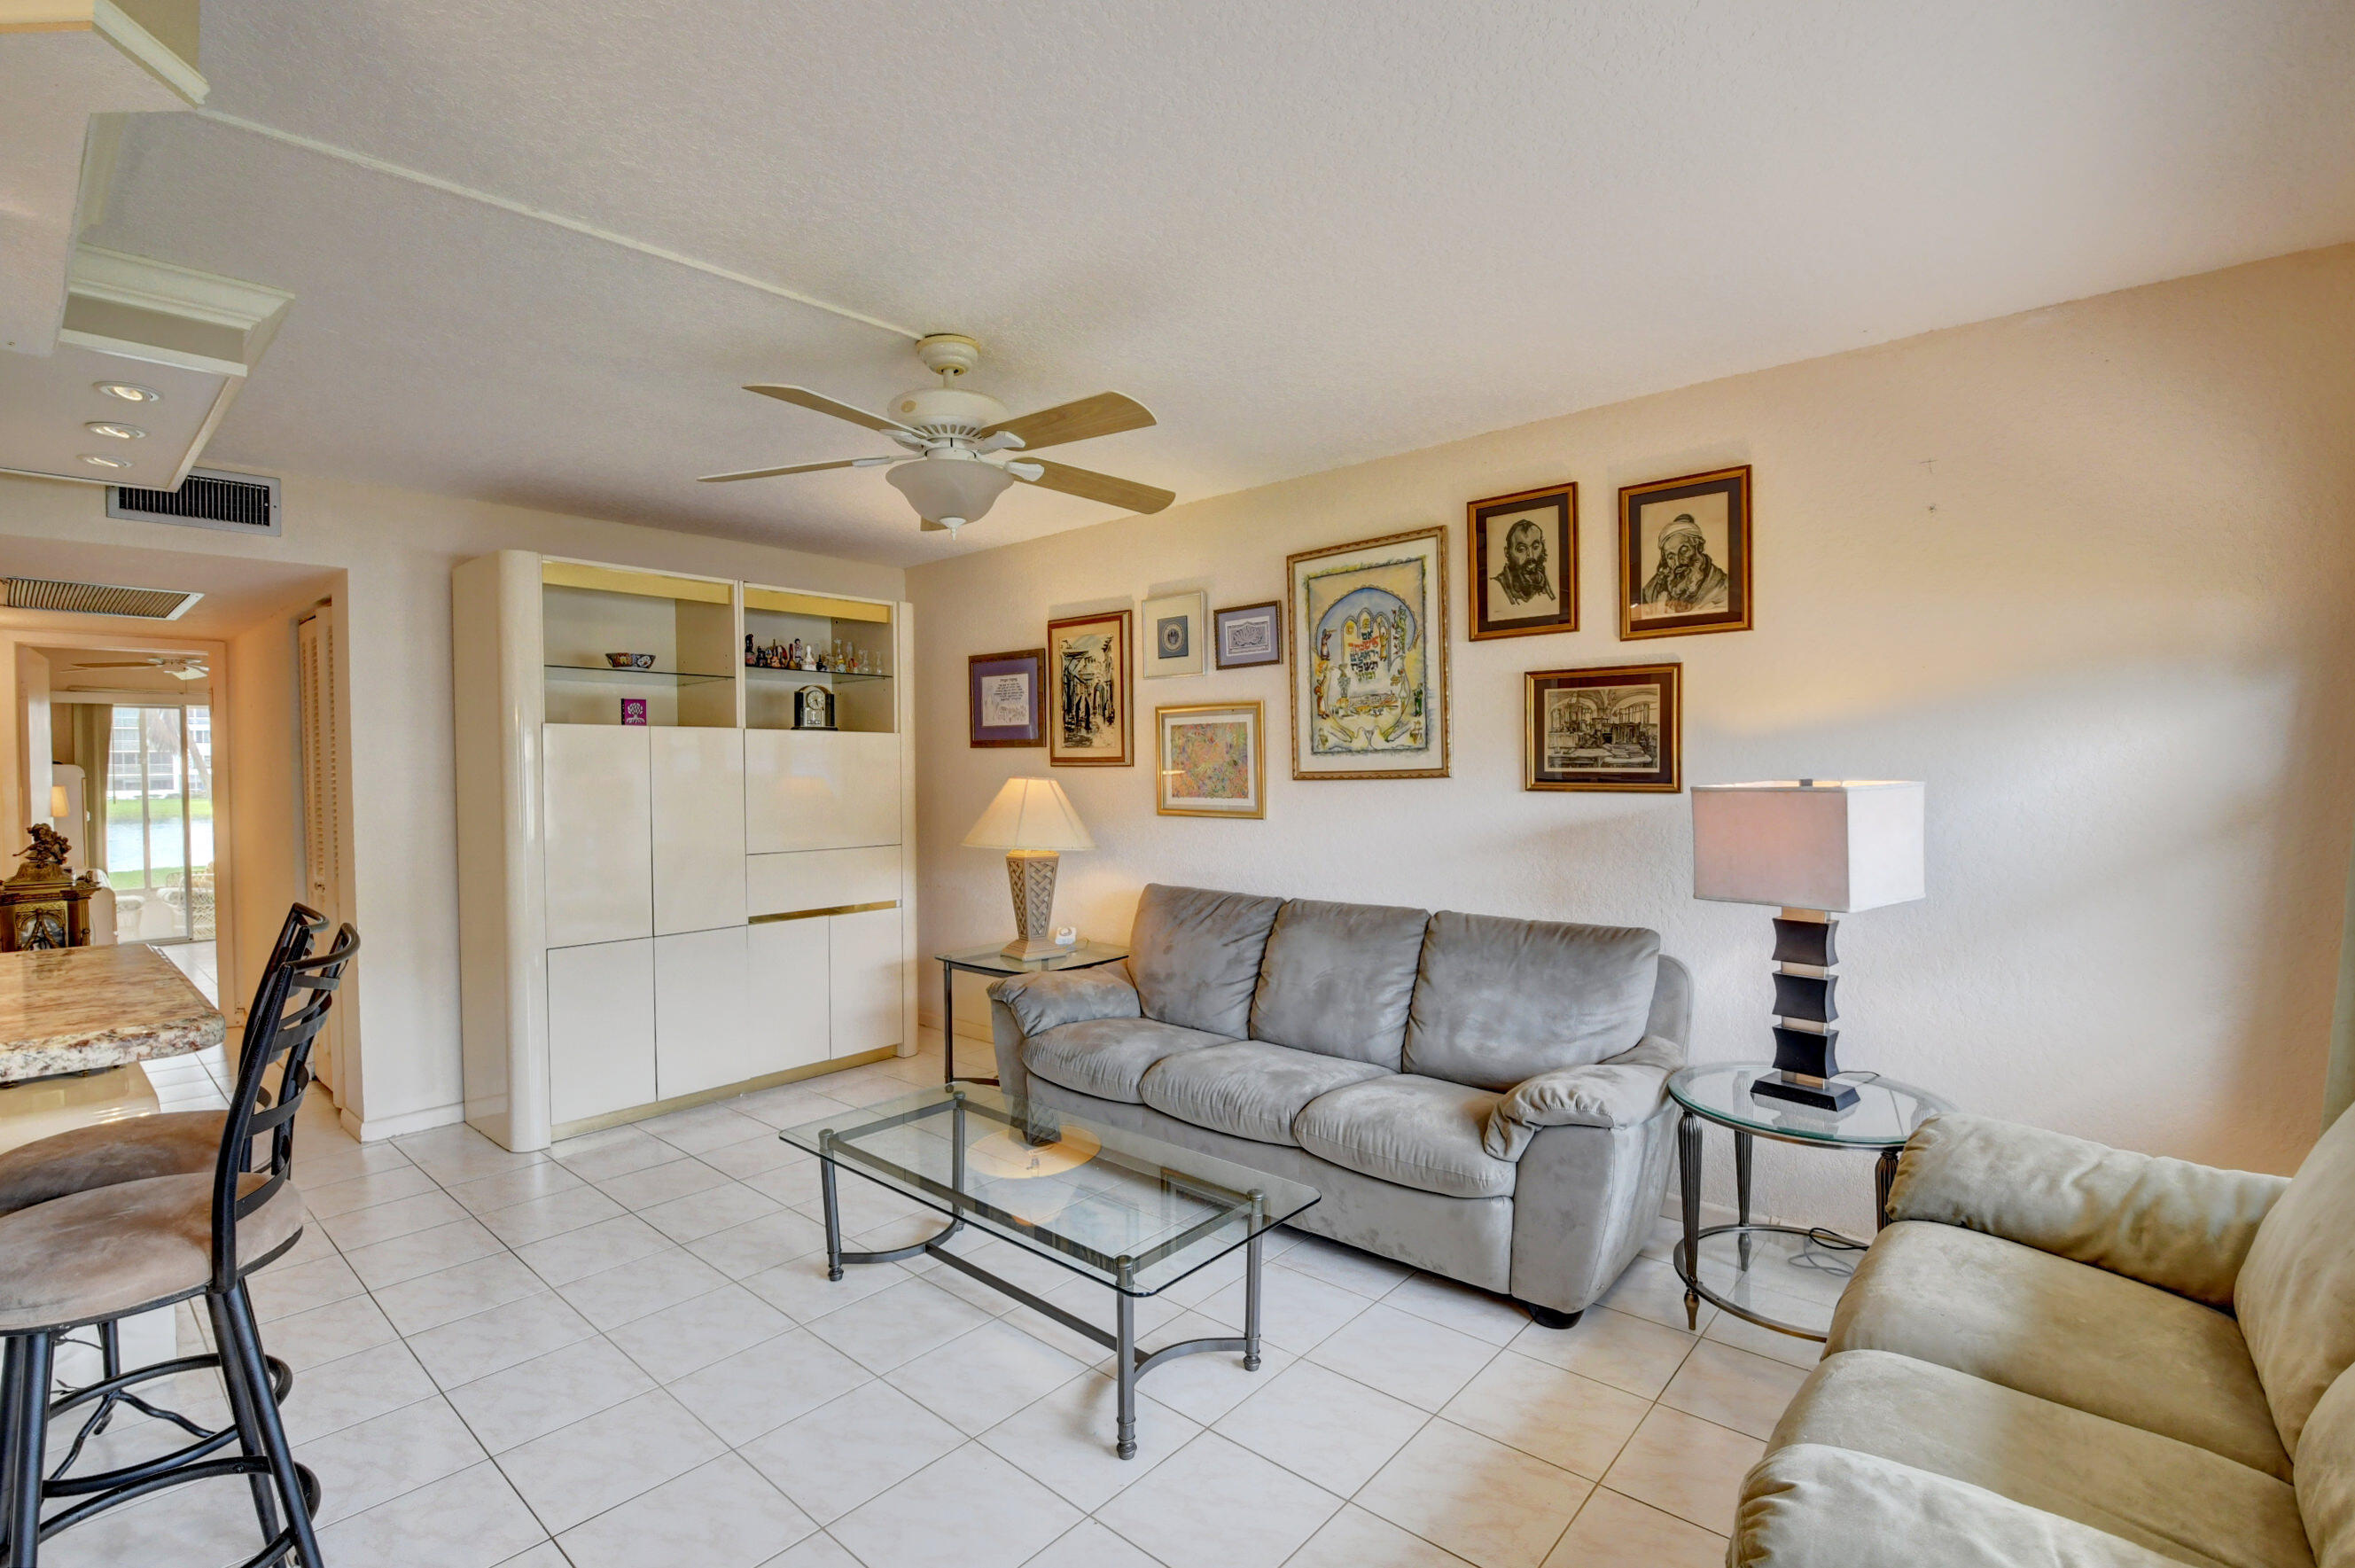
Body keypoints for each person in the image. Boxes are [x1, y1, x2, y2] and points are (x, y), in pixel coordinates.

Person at [1640, 514, 1729, 612]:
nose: (1678, 562)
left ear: (1698, 547)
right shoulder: (1652, 590)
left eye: (1684, 551)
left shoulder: (1722, 587)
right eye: (1671, 557)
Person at [1493, 518, 1552, 606]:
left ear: (1542, 547)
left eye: (1535, 547)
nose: (1531, 555)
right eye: (1521, 549)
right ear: (1507, 552)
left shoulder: (1546, 583)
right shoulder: (1496, 587)